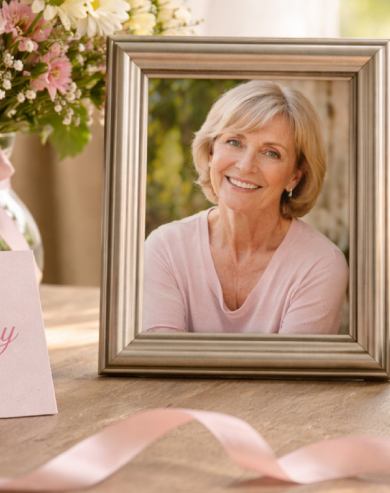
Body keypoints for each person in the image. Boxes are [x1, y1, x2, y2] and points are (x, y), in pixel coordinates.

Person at [143, 80, 348, 334]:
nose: (246, 165)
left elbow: (289, 373)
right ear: (210, 152)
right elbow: (161, 365)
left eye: (271, 153)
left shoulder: (320, 264)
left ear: (295, 176)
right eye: (234, 142)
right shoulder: (165, 249)